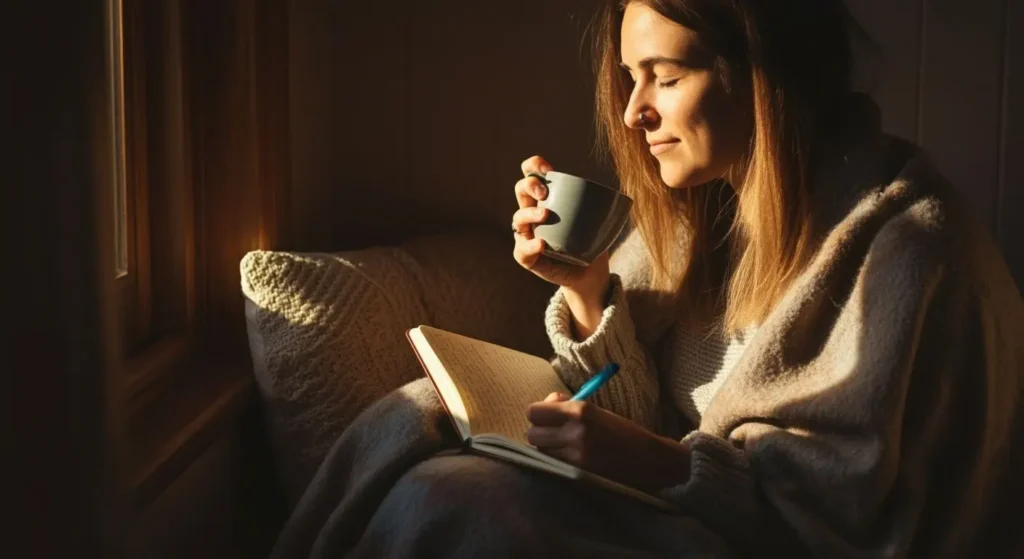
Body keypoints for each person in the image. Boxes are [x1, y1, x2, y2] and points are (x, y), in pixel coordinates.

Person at [273, 1, 1024, 557]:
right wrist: (588, 287)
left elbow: (847, 524)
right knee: (415, 409)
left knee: (449, 499)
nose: (633, 111)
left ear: (762, 72)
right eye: (632, 78)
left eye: (663, 76)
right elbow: (638, 412)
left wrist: (654, 461)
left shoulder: (910, 254)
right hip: (679, 512)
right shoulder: (712, 216)